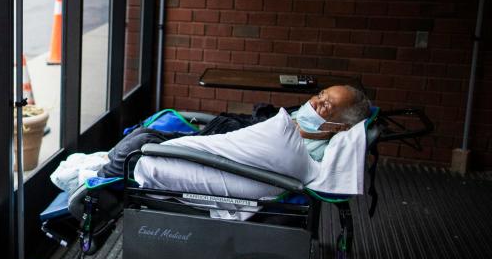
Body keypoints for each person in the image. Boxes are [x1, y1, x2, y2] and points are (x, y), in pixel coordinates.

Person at [98, 85, 371, 179]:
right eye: (320, 94)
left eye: (326, 105)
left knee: (143, 141)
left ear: (341, 126)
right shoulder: (311, 120)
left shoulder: (318, 146)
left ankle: (99, 188)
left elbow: (281, 155)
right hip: (230, 143)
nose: (314, 102)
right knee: (146, 133)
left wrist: (307, 132)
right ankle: (103, 168)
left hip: (230, 161)